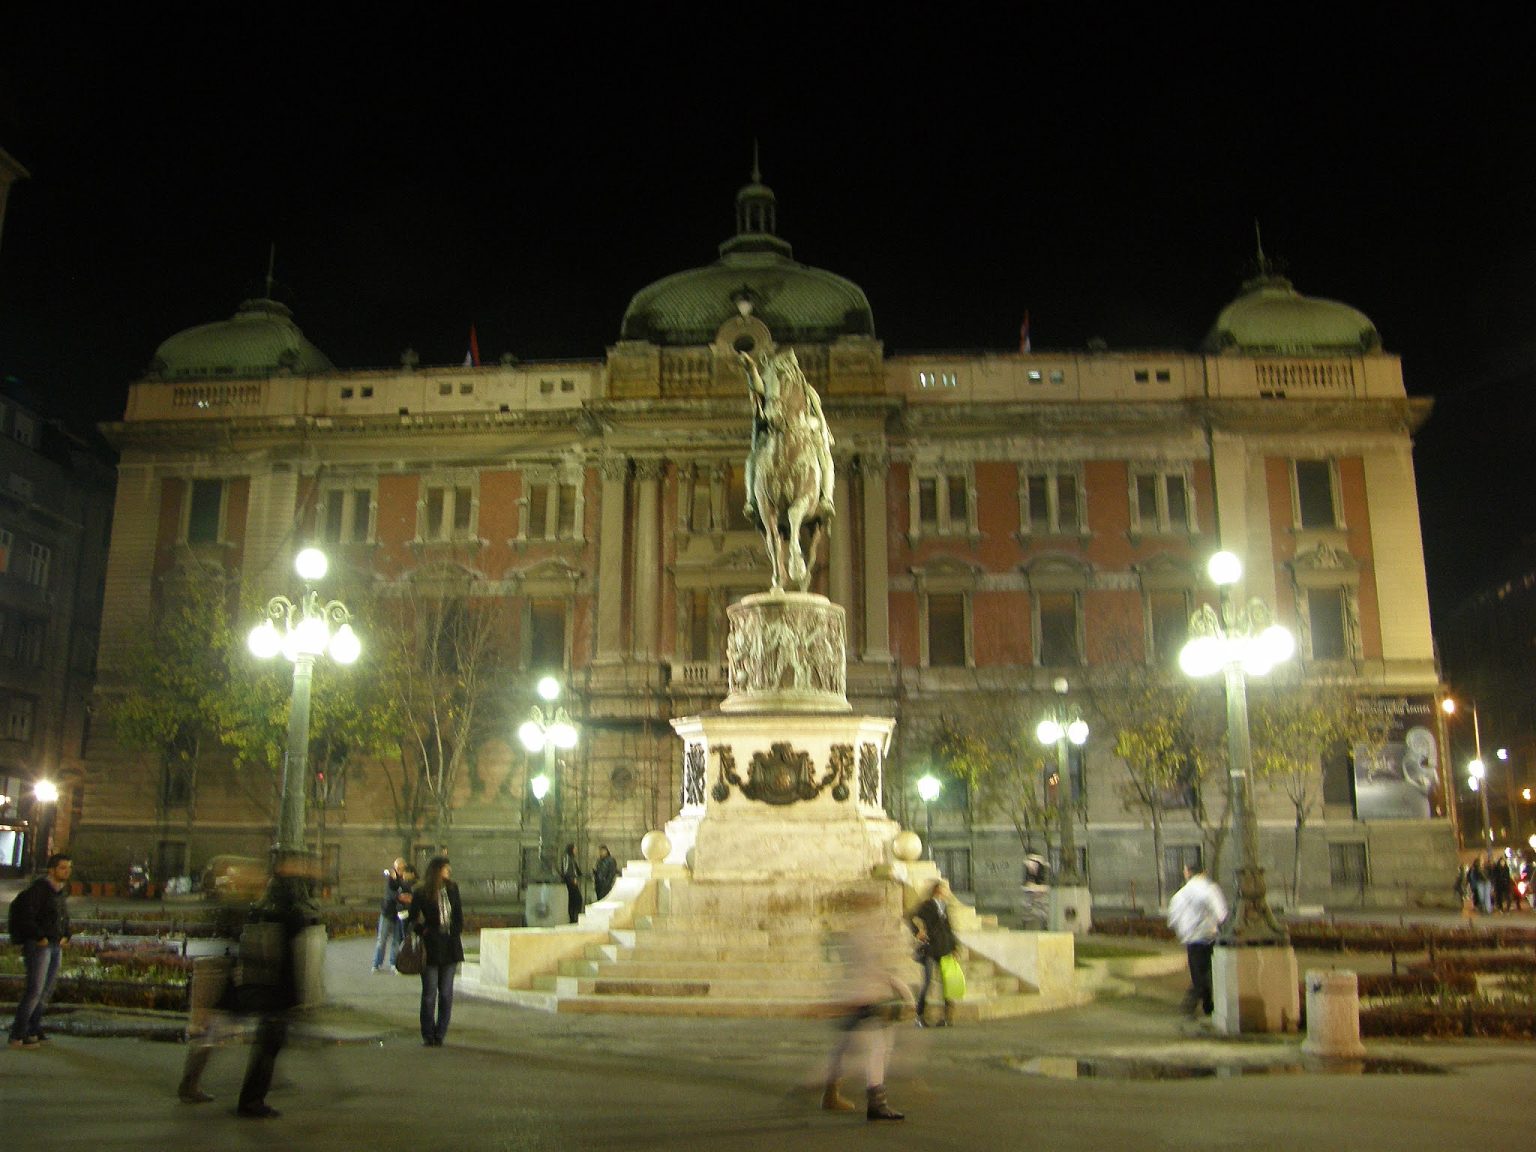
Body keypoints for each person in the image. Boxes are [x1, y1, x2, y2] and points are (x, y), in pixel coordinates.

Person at [234, 851, 321, 1118]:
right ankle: (251, 1101)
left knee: (270, 1041)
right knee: (269, 1041)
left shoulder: (269, 898)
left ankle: (255, 1095)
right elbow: (297, 921)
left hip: (270, 981)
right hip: (273, 983)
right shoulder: (280, 896)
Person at [821, 888, 911, 1122]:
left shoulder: (856, 930)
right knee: (877, 1048)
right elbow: (871, 968)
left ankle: (830, 1092)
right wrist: (899, 989)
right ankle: (876, 1103)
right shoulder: (864, 932)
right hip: (865, 997)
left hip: (857, 995)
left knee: (848, 1047)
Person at [8, 852, 72, 1050]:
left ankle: (33, 1028)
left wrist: (66, 935)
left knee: (45, 990)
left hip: (55, 945)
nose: (67, 871)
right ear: (52, 870)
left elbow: (63, 917)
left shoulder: (59, 891)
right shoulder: (39, 890)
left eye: (69, 868)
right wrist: (39, 936)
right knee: (34, 990)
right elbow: (27, 916)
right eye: (63, 868)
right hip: (39, 946)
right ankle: (18, 1034)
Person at [407, 855, 463, 1047]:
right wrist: (425, 931)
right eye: (446, 868)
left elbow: (459, 916)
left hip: (450, 946)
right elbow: (412, 919)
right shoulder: (422, 892)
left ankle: (440, 1033)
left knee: (446, 993)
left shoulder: (452, 889)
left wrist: (455, 932)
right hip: (430, 947)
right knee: (430, 993)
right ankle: (427, 1033)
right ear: (437, 870)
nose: (449, 871)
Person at [1166, 862, 1228, 1023]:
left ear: (1188, 873)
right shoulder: (1210, 889)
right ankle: (1197, 1004)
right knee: (1208, 973)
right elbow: (1221, 914)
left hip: (1191, 939)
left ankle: (1206, 1005)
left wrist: (1185, 929)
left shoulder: (1179, 895)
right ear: (1204, 872)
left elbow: (1172, 919)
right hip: (1209, 936)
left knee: (1198, 973)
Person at [909, 878, 959, 1028]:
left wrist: (955, 947)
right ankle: (920, 1016)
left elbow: (949, 929)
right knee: (928, 981)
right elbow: (910, 917)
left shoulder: (945, 907)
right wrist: (918, 932)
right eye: (943, 890)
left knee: (947, 982)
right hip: (931, 949)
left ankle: (947, 1017)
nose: (945, 893)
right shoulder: (927, 905)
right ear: (937, 891)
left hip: (944, 948)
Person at [372, 857, 412, 972]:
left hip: (399, 913)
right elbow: (390, 894)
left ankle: (393, 963)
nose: (399, 870)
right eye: (397, 868)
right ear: (394, 868)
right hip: (387, 912)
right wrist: (400, 896)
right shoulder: (391, 878)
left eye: (401, 868)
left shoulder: (406, 879)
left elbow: (408, 892)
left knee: (396, 940)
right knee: (382, 939)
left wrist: (404, 893)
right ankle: (376, 963)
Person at [559, 843, 584, 923]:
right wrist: (572, 879)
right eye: (575, 849)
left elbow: (576, 869)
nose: (576, 850)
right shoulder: (567, 857)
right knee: (576, 900)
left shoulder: (571, 858)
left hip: (572, 881)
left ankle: (574, 917)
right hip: (570, 882)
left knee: (575, 900)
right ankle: (573, 918)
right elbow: (567, 871)